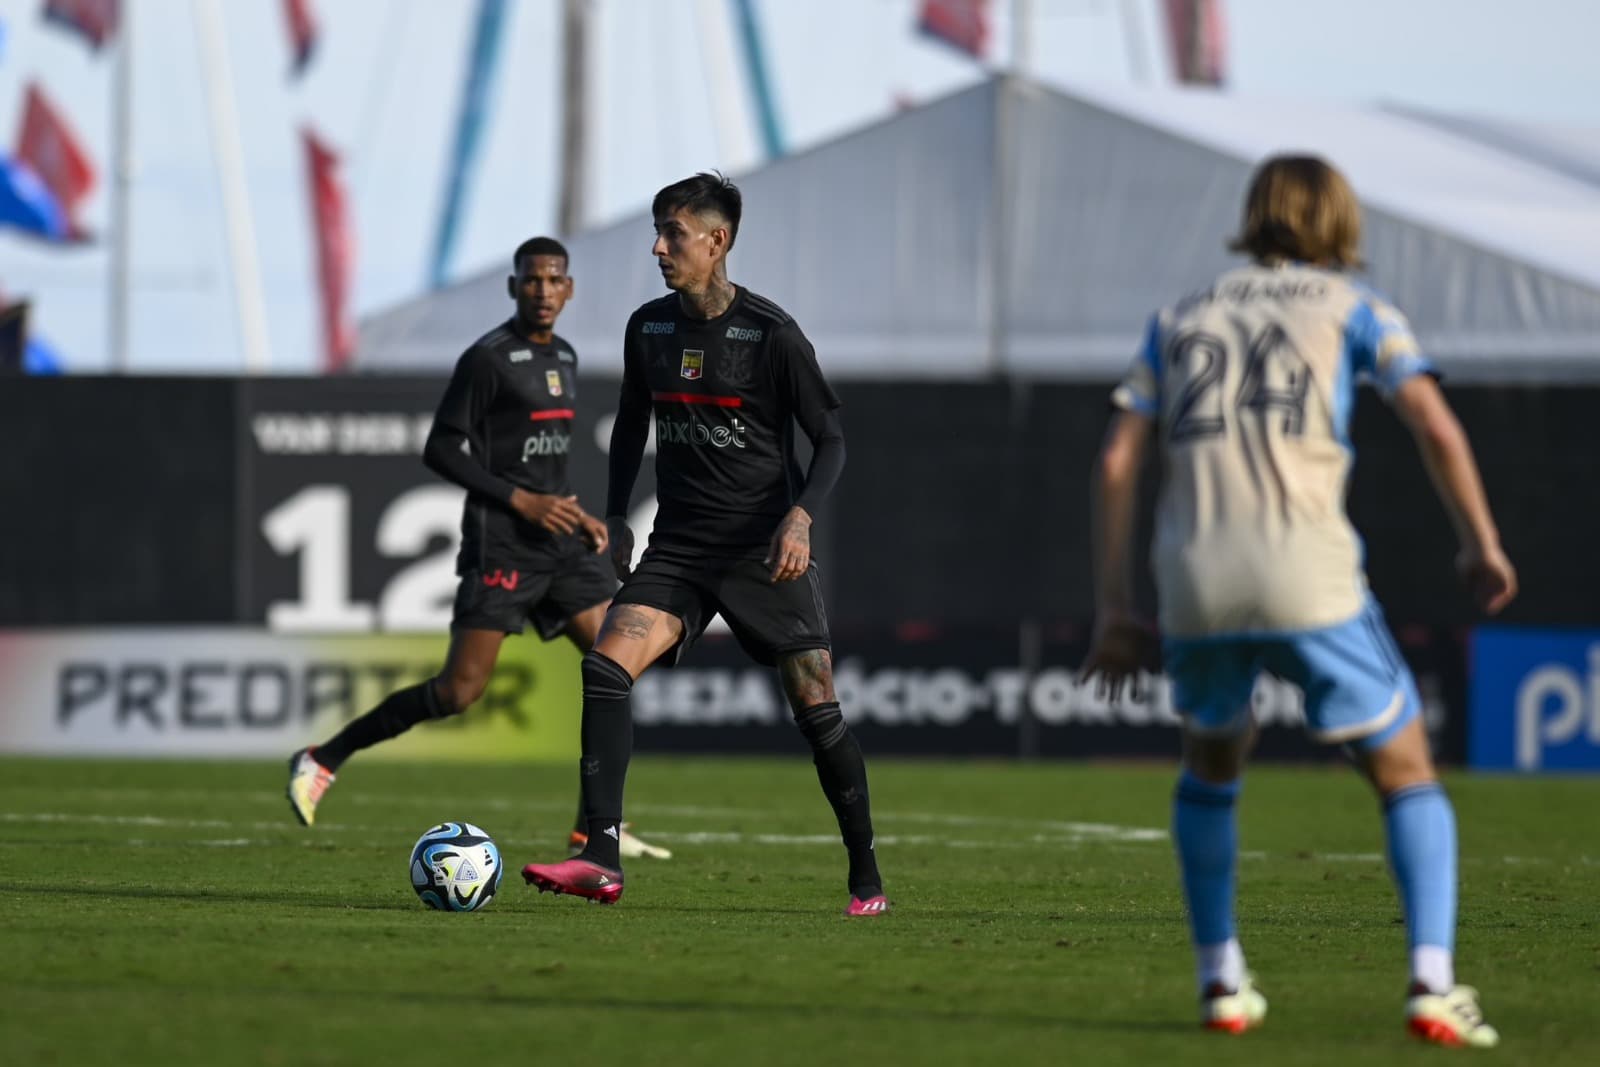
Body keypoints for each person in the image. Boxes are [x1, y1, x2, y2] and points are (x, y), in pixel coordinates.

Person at [1080, 156, 1515, 1046]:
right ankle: (1432, 984)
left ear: (1253, 216)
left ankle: (1220, 984)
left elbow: (1119, 461)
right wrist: (1481, 542)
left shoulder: (1180, 316)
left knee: (1211, 762)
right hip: (1307, 573)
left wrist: (1116, 606)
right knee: (1406, 769)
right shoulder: (1356, 309)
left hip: (1194, 578)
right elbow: (1434, 421)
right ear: (1339, 222)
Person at [520, 172, 887, 916]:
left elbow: (833, 439)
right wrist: (619, 517)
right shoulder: (648, 328)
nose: (658, 248)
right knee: (605, 666)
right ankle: (602, 855)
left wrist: (801, 516)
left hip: (760, 550)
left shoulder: (772, 334)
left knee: (817, 707)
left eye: (674, 235)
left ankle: (866, 873)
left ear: (717, 242)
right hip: (679, 547)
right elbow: (629, 427)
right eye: (657, 232)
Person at [286, 236, 670, 863]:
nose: (543, 291)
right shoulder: (489, 359)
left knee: (617, 666)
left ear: (569, 289)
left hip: (562, 544)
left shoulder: (566, 356)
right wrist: (521, 503)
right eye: (532, 280)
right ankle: (322, 758)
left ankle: (592, 829)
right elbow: (440, 448)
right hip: (504, 545)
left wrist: (576, 514)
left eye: (554, 281)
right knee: (459, 692)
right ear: (514, 286)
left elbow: (544, 459)